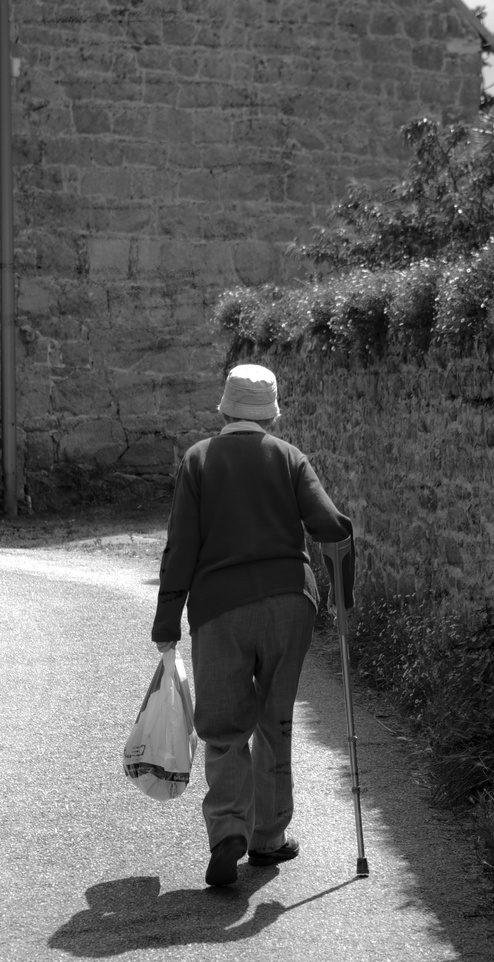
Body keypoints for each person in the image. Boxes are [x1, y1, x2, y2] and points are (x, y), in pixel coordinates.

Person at [151, 363, 355, 887]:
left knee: (223, 729)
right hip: (290, 601)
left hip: (220, 608)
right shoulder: (289, 458)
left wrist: (167, 619)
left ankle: (227, 833)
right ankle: (268, 839)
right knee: (274, 720)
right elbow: (329, 526)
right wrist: (345, 595)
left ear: (223, 408)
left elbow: (181, 547)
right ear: (272, 413)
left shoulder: (199, 460)